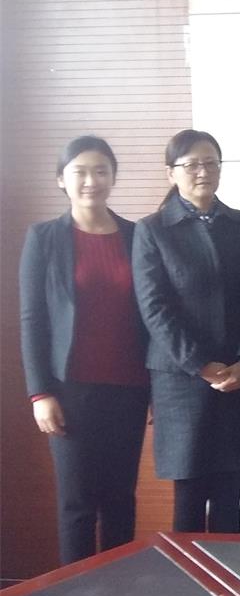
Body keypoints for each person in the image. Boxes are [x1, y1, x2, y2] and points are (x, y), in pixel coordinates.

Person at [132, 130, 240, 533]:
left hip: (237, 375)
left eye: (211, 163)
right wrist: (200, 365)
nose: (203, 171)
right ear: (171, 173)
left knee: (230, 493)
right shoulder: (153, 230)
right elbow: (154, 309)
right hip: (181, 381)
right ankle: (186, 575)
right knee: (189, 496)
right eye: (192, 164)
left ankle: (228, 574)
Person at [19, 136, 150, 564]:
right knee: (77, 503)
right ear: (62, 179)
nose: (91, 180)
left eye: (100, 171)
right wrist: (40, 393)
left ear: (113, 177)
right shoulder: (44, 238)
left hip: (129, 389)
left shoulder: (137, 236)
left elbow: (151, 315)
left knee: (120, 498)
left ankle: (119, 589)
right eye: (80, 172)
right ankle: (76, 595)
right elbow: (32, 319)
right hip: (69, 392)